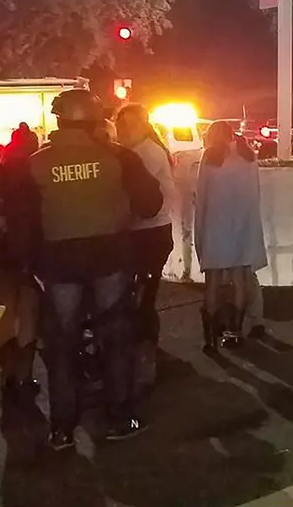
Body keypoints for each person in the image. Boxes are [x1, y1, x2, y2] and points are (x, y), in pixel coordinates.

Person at [20, 89, 163, 451]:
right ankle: (121, 416)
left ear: (58, 120)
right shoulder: (119, 158)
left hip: (59, 262)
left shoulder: (34, 163)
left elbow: (22, 222)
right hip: (110, 256)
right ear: (96, 120)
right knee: (115, 338)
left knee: (61, 345)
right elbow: (150, 204)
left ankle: (62, 428)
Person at [114, 104, 177, 389]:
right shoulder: (138, 151)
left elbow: (136, 197)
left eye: (129, 124)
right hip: (145, 233)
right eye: (121, 124)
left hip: (150, 234)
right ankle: (145, 350)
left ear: (142, 125)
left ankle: (147, 354)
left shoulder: (146, 154)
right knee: (140, 295)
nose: (123, 130)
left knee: (143, 297)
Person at [194, 122, 268, 349]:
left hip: (216, 227)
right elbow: (255, 192)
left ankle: (210, 339)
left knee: (214, 282)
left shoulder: (211, 157)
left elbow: (202, 196)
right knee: (239, 279)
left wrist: (200, 233)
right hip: (243, 226)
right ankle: (235, 331)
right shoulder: (248, 156)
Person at [0, 126, 43, 403]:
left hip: (1, 250)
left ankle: (5, 373)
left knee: (5, 309)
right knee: (29, 311)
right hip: (32, 251)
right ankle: (24, 375)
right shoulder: (37, 172)